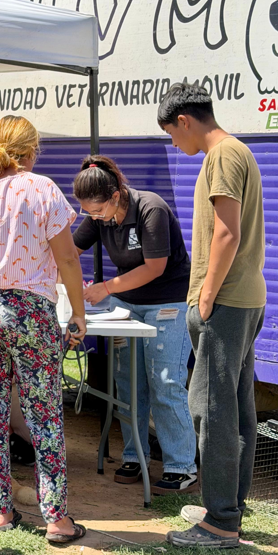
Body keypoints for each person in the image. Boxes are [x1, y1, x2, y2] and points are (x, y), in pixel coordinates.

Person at [0, 115, 87, 542]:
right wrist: (78, 313)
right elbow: (66, 259)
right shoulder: (42, 188)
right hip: (29, 309)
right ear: (30, 152)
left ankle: (1, 512)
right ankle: (56, 518)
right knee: (42, 411)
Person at [158, 83, 266, 549]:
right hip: (245, 299)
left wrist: (205, 295)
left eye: (172, 134)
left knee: (210, 409)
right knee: (236, 409)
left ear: (184, 120)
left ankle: (220, 522)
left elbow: (226, 232)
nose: (174, 145)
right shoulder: (237, 151)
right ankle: (228, 508)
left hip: (226, 301)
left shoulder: (221, 155)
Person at [72, 155, 197, 496]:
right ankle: (134, 455)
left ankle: (181, 466)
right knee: (128, 384)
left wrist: (106, 288)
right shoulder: (99, 216)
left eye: (98, 211)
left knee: (166, 382)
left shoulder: (150, 209)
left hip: (167, 304)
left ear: (115, 196)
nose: (95, 219)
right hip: (127, 306)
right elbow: (69, 249)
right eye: (89, 214)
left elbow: (154, 268)